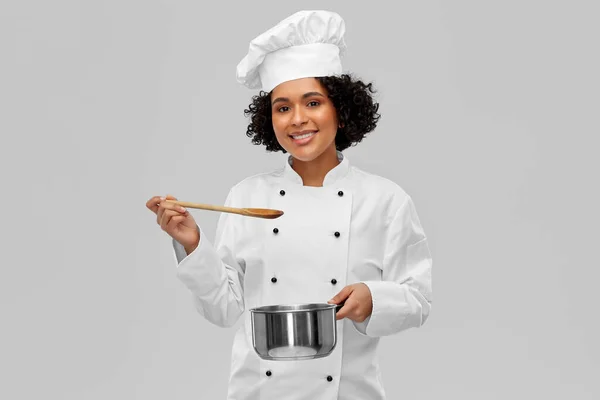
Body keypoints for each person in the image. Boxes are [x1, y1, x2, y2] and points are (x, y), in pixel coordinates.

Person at [146, 10, 432, 400]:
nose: (297, 120)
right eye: (283, 108)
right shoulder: (246, 198)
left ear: (341, 111)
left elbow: (417, 299)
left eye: (312, 103)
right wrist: (194, 245)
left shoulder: (385, 201)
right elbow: (224, 310)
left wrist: (373, 298)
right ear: (269, 119)